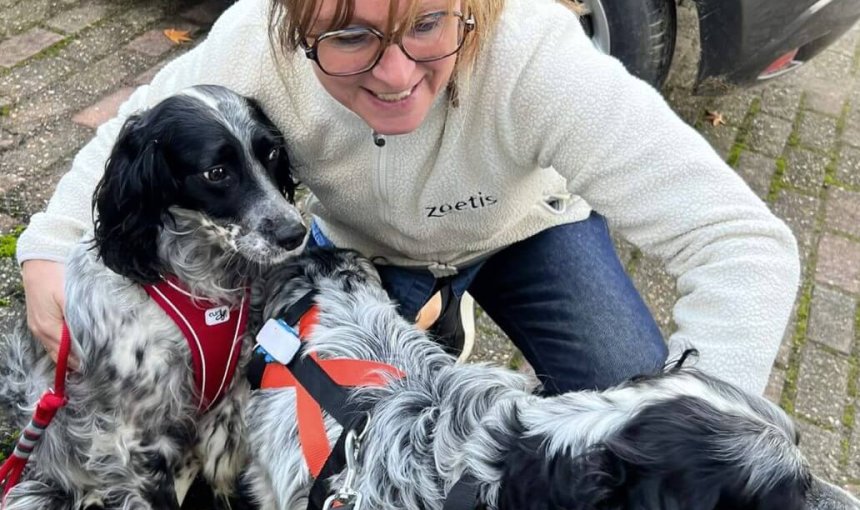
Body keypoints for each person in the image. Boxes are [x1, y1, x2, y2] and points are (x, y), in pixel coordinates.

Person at [16, 0, 799, 396]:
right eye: (350, 36)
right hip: (358, 250)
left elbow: (743, 244)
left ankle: (449, 297)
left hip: (526, 233)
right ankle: (425, 301)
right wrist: (48, 248)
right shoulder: (256, 35)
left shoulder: (539, 55)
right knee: (322, 409)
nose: (395, 77)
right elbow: (137, 124)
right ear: (296, 24)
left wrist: (699, 417)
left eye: (427, 23)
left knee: (630, 393)